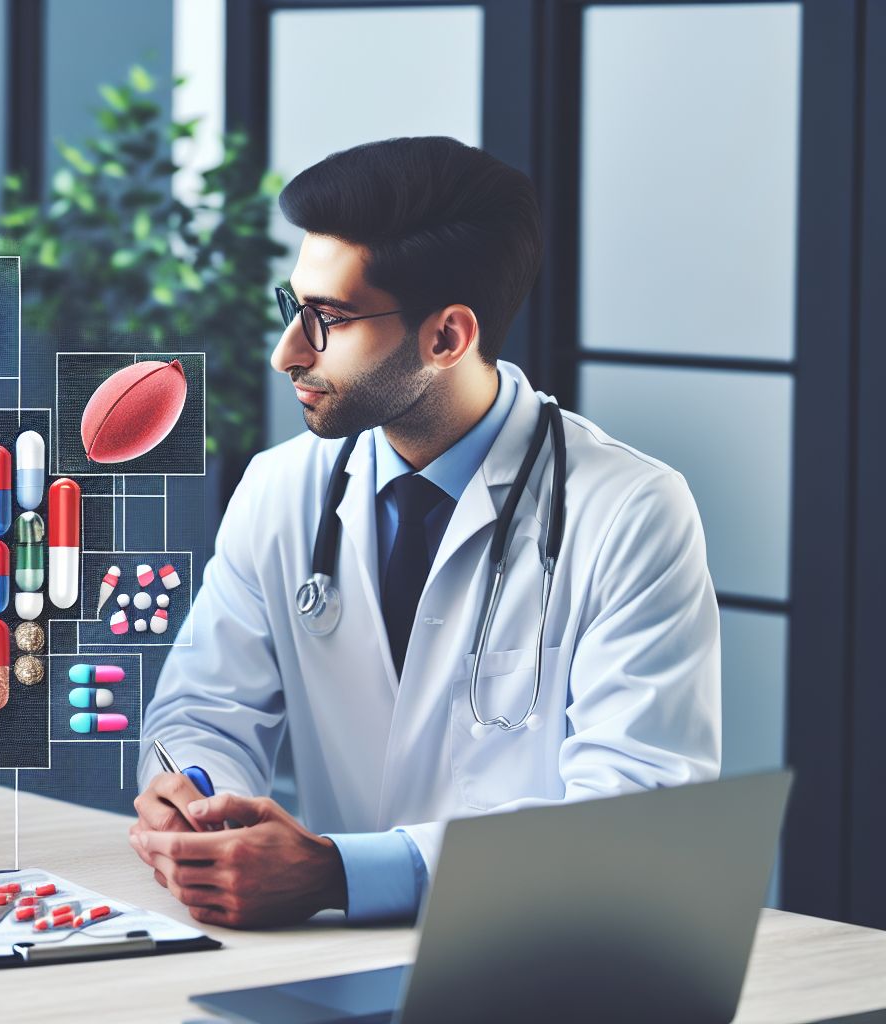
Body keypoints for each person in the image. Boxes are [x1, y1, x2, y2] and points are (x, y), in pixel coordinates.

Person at [131, 137, 719, 928]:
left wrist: (346, 873)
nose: (285, 354)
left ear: (446, 337)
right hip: (324, 960)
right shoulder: (280, 490)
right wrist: (198, 794)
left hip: (531, 957)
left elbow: (639, 812)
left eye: (326, 321)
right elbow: (205, 710)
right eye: (291, 307)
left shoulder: (630, 512)